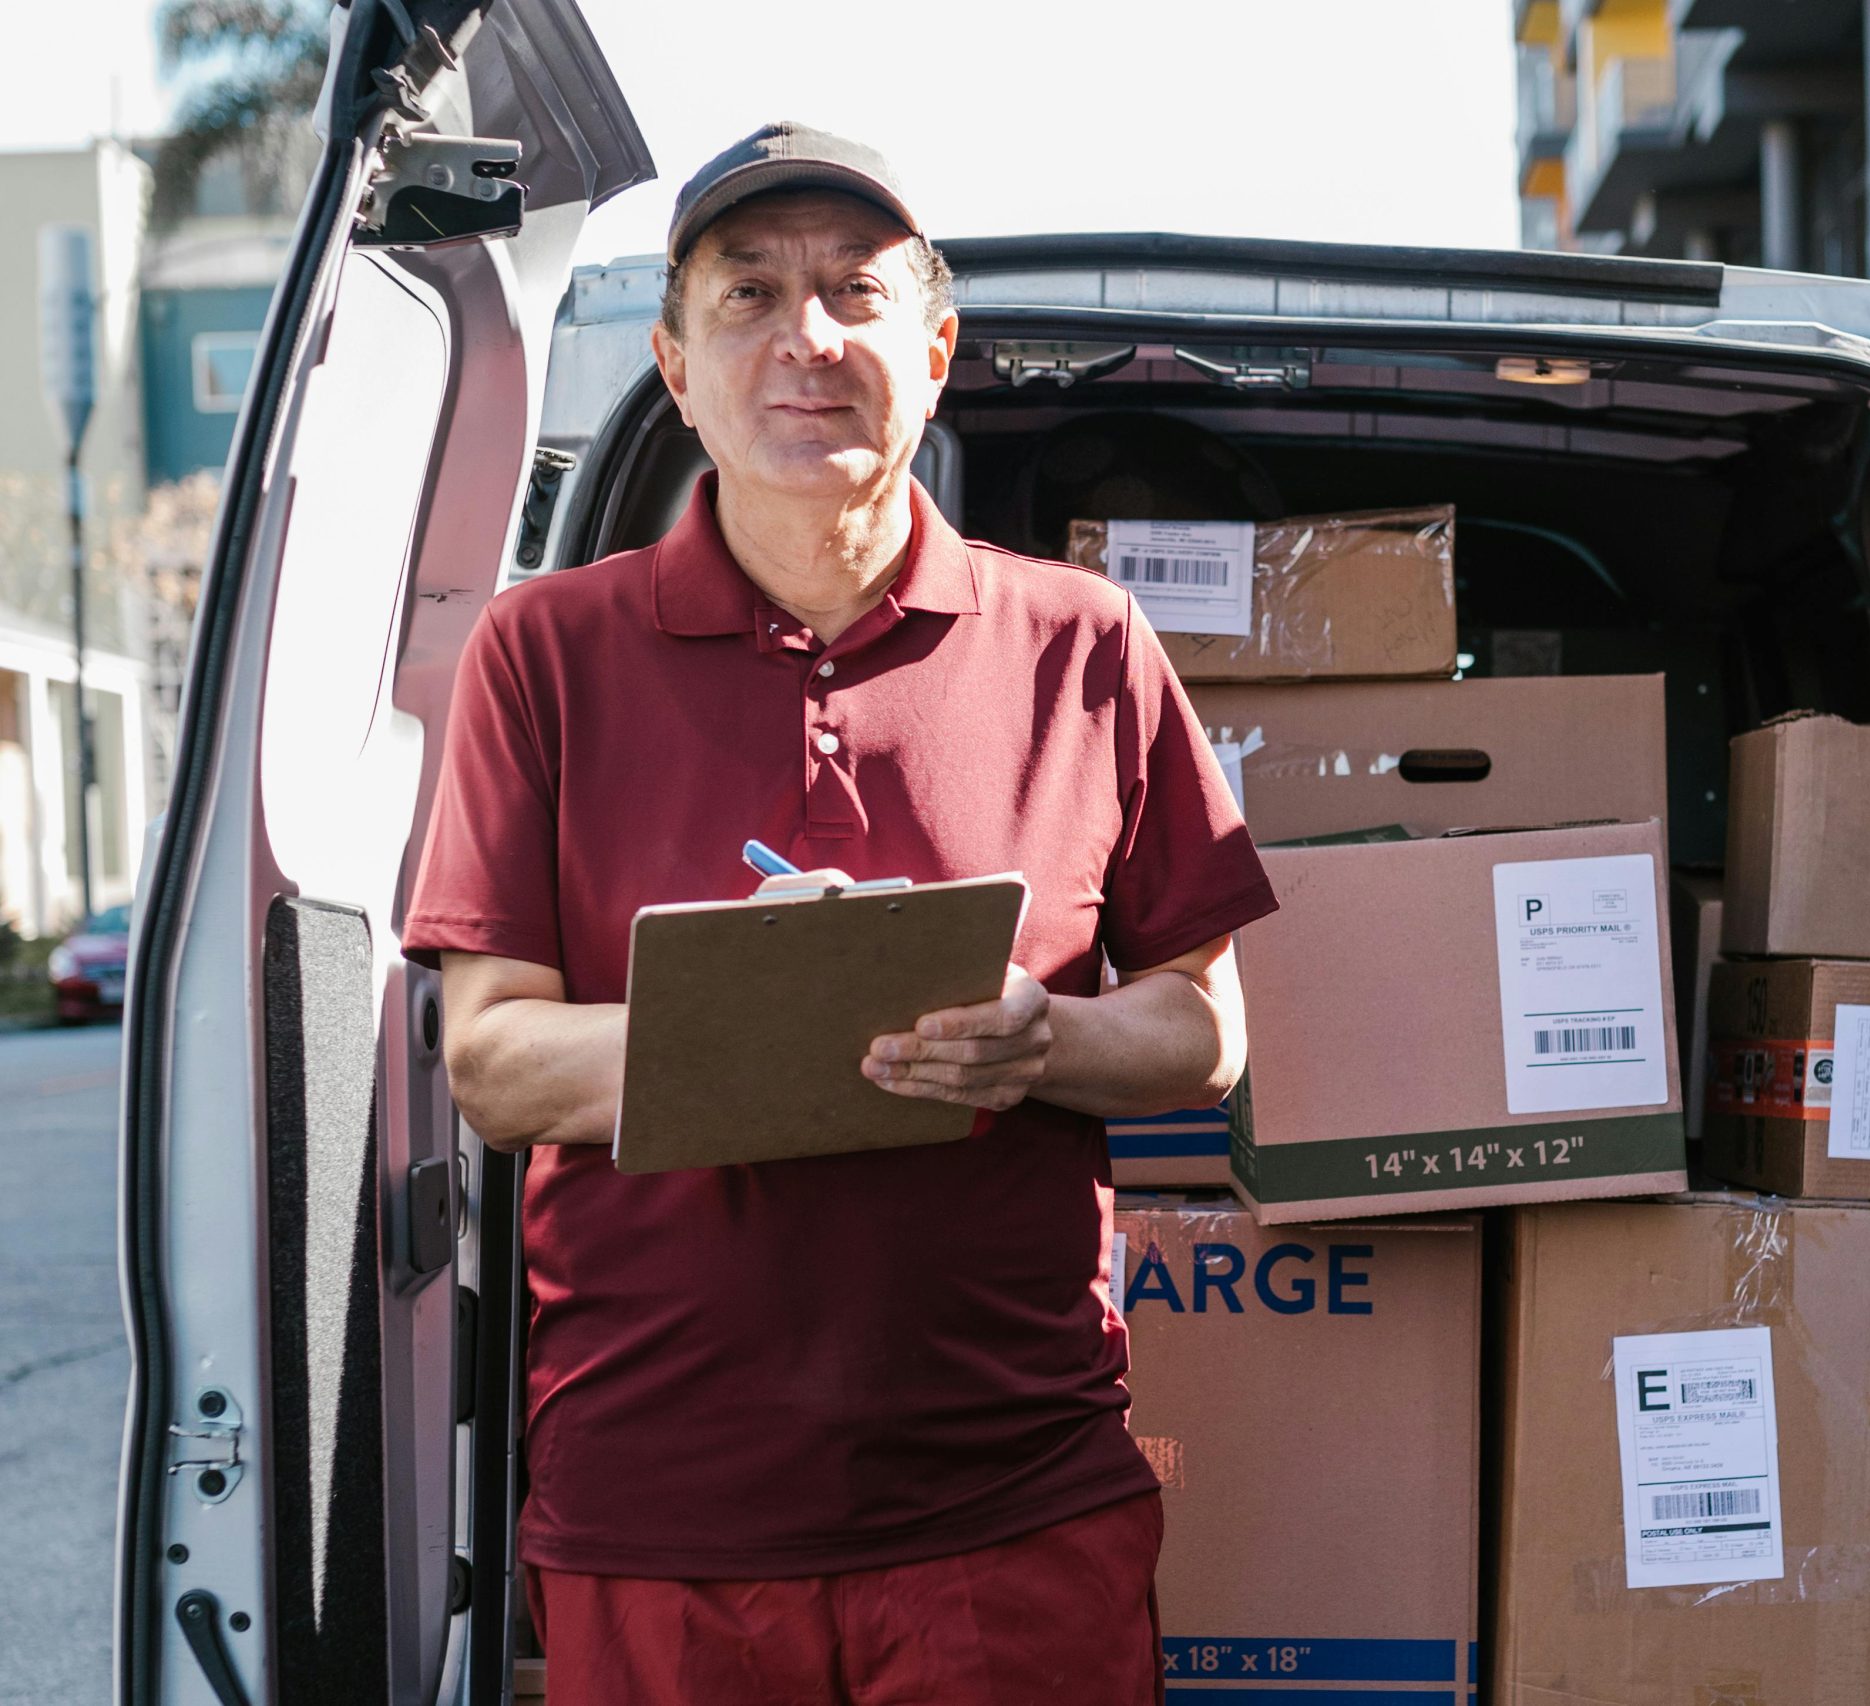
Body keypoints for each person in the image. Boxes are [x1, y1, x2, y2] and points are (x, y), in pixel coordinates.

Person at [402, 122, 1275, 1706]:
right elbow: (494, 1062)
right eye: (748, 294)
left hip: (1016, 1505)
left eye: (854, 291)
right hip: (662, 1521)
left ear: (934, 354)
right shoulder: (542, 656)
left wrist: (1039, 1041)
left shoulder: (1084, 644)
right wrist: (757, 1016)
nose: (805, 336)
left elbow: (1204, 1028)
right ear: (676, 368)